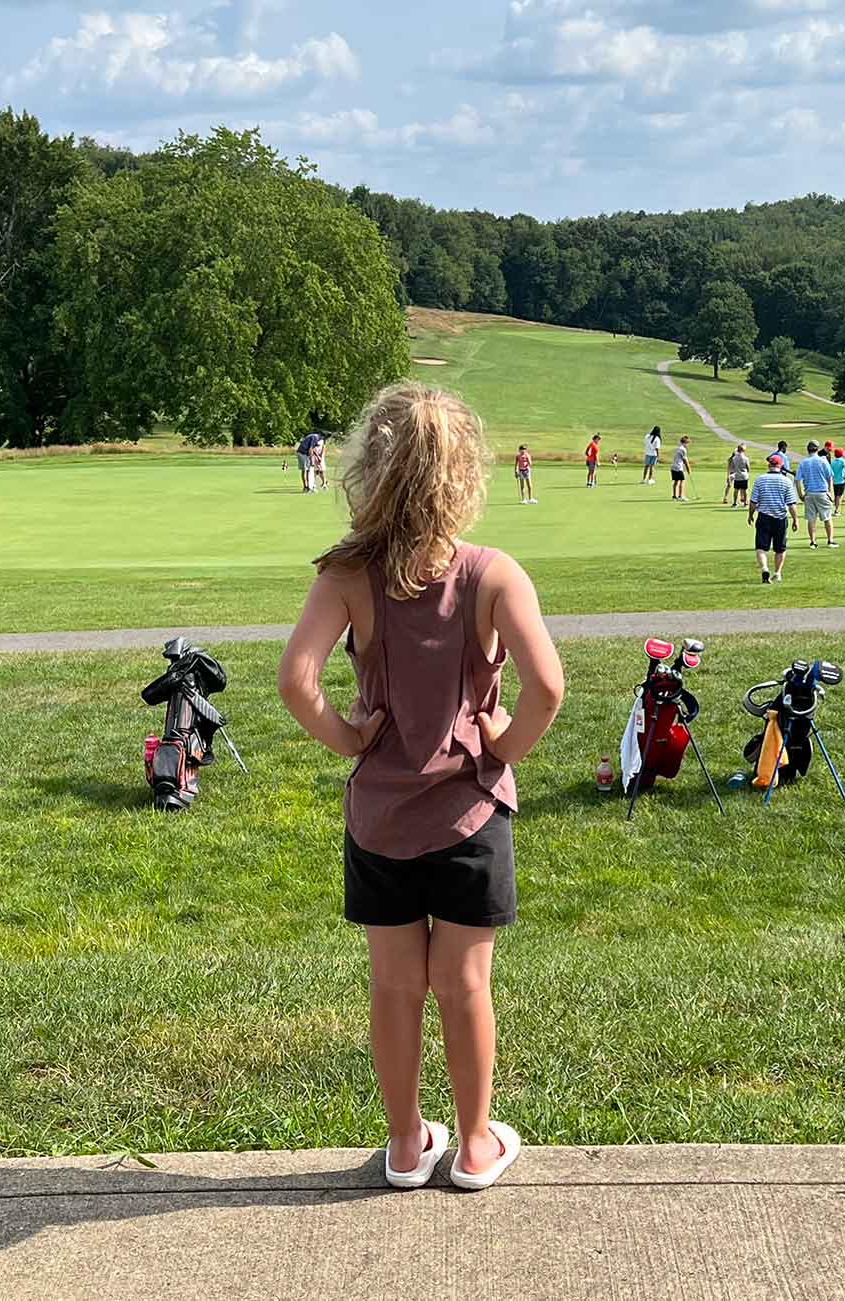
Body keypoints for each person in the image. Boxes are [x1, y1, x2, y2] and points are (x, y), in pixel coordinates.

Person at [277, 382, 564, 1192]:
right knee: (465, 983)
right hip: (470, 814)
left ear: (371, 466)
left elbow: (296, 682)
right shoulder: (493, 575)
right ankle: (475, 1145)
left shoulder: (345, 574)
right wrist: (502, 744)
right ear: (463, 473)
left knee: (395, 983)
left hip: (380, 820)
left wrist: (349, 736)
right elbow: (548, 686)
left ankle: (406, 1143)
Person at [748, 454, 799, 584]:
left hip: (764, 517)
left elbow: (753, 501)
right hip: (780, 519)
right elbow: (791, 504)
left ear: (769, 465)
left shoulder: (760, 479)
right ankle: (777, 573)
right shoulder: (786, 481)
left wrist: (750, 515)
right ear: (780, 465)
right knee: (780, 548)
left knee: (761, 548)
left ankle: (765, 568)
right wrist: (795, 519)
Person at [795, 440, 838, 549]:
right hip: (822, 492)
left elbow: (798, 480)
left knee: (811, 519)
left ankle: (813, 542)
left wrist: (800, 495)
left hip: (809, 493)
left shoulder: (803, 462)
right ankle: (830, 540)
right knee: (827, 518)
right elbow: (830, 477)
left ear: (807, 450)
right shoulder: (823, 461)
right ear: (817, 449)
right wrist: (830, 492)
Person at [728, 443, 751, 508]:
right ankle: (746, 503)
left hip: (737, 475)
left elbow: (732, 467)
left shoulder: (734, 458)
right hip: (744, 475)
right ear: (744, 450)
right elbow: (748, 467)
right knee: (745, 490)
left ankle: (735, 503)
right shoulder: (746, 458)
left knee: (736, 490)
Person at [670, 435, 691, 501]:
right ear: (685, 442)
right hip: (678, 468)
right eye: (687, 443)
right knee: (682, 481)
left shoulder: (677, 448)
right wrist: (688, 469)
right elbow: (685, 461)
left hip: (673, 467)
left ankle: (674, 496)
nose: (688, 445)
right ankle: (680, 496)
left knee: (676, 481)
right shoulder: (683, 449)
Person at [829, 447, 845, 516]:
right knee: (839, 496)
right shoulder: (842, 460)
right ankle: (836, 510)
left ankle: (835, 509)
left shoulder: (833, 461)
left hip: (835, 481)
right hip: (841, 481)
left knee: (836, 495)